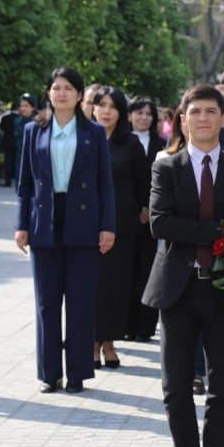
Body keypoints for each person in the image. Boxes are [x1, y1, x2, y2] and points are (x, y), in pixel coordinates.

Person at [142, 84, 224, 447]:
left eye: (210, 111)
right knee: (176, 383)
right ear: (182, 119)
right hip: (177, 289)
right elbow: (160, 223)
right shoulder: (166, 167)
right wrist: (221, 229)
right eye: (195, 112)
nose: (203, 118)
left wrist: (213, 233)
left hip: (223, 289)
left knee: (223, 384)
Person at [15, 67, 117, 394]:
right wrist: (21, 224)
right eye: (56, 88)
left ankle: (77, 372)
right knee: (46, 303)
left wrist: (107, 226)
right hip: (44, 221)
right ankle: (49, 373)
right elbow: (25, 184)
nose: (61, 93)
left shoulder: (93, 133)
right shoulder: (34, 130)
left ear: (78, 94)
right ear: (48, 93)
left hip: (84, 223)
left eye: (68, 88)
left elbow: (105, 184)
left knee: (79, 301)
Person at [90, 87, 150, 370]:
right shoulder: (83, 139)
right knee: (91, 286)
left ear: (121, 112)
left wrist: (144, 210)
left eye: (112, 106)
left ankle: (109, 343)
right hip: (86, 224)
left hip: (122, 226)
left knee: (115, 287)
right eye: (101, 104)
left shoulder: (131, 144)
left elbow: (143, 184)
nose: (105, 111)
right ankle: (91, 342)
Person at [126, 96, 166, 342]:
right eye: (139, 113)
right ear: (129, 115)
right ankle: (127, 324)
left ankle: (145, 326)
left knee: (148, 270)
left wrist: (149, 208)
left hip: (153, 216)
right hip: (128, 216)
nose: (143, 118)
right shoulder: (123, 142)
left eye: (148, 114)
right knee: (128, 271)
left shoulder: (162, 145)